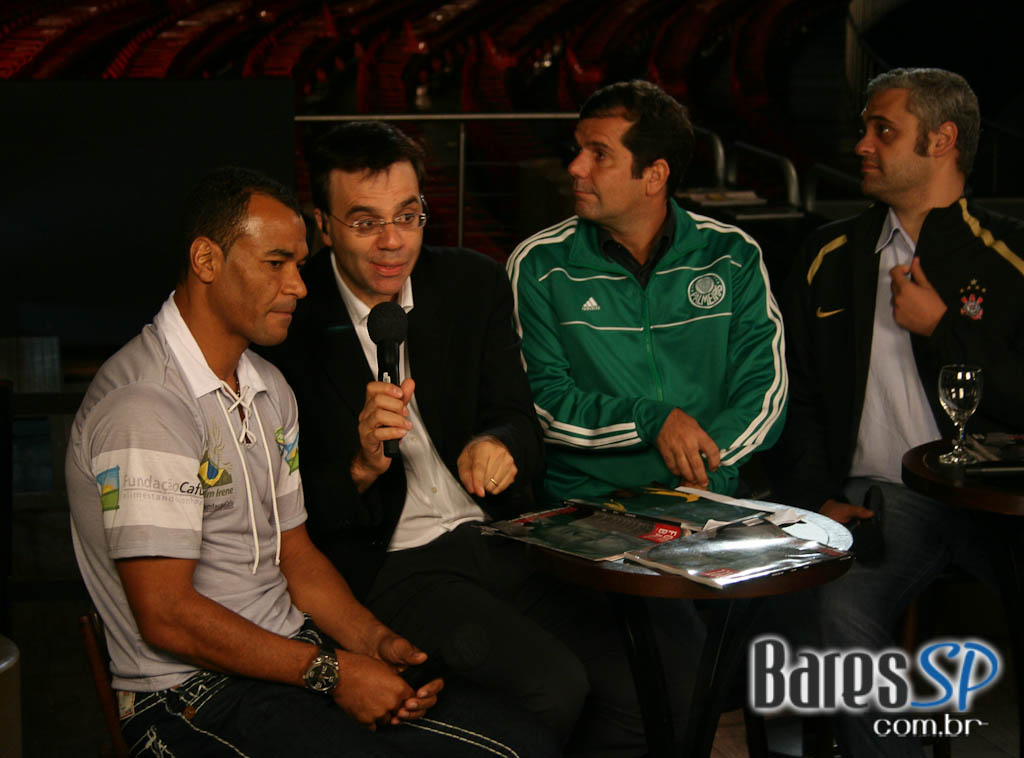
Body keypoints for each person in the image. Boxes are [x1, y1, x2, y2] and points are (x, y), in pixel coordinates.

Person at [66, 167, 557, 757]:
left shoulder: (267, 386)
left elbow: (294, 555)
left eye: (299, 265)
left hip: (292, 659)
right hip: (186, 696)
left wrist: (375, 644)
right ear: (206, 260)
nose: (299, 286)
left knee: (524, 743)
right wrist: (333, 672)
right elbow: (167, 615)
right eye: (276, 263)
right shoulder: (147, 405)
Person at [270, 121, 645, 756]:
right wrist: (361, 467)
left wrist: (498, 444)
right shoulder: (291, 322)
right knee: (553, 686)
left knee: (637, 680)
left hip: (498, 534)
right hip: (391, 560)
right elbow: (288, 516)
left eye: (407, 216)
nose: (393, 241)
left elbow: (519, 420)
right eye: (365, 223)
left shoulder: (471, 284)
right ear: (323, 226)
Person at [772, 67, 1024, 756]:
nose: (862, 145)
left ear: (941, 141)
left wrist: (944, 328)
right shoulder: (829, 255)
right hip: (881, 498)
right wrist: (814, 496)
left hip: (997, 502)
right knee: (840, 616)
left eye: (884, 130)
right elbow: (797, 396)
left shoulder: (1009, 257)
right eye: (864, 128)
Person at [507, 79, 787, 502]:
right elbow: (541, 404)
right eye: (578, 149)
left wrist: (707, 469)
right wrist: (650, 420)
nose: (576, 167)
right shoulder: (539, 264)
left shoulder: (731, 255)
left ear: (654, 176)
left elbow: (764, 389)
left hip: (710, 494)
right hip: (586, 503)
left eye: (599, 154)